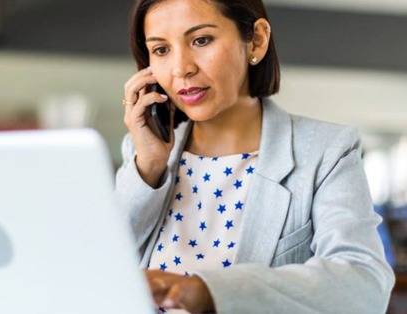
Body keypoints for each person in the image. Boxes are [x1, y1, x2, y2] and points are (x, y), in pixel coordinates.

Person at [115, 0, 395, 313]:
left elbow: (363, 286)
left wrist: (209, 291)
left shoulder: (326, 152)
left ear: (257, 40)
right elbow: (99, 270)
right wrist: (148, 167)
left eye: (201, 40)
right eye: (161, 49)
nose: (182, 68)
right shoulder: (143, 156)